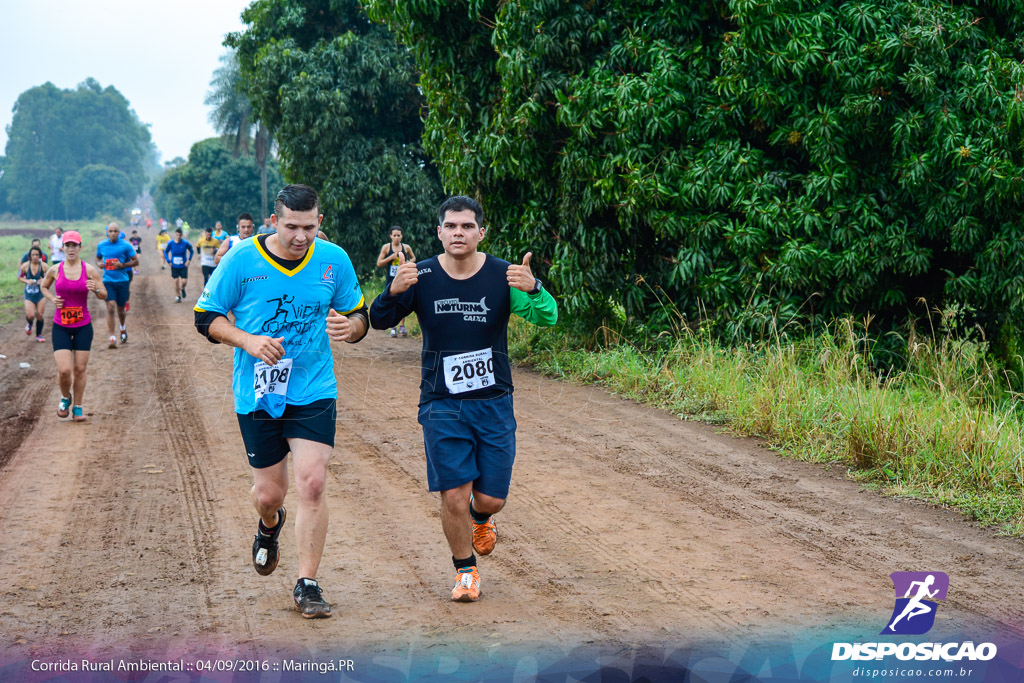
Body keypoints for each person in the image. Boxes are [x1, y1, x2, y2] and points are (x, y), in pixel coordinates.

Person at [369, 195, 558, 602]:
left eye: (467, 226)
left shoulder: (503, 275)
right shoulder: (418, 276)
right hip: (441, 401)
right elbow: (380, 320)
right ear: (439, 232)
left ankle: (481, 517)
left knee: (491, 497)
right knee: (453, 491)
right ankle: (465, 571)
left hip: (494, 400)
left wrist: (537, 287)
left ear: (481, 232)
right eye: (451, 226)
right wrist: (390, 291)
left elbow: (548, 317)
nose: (459, 233)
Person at [193, 184, 368, 619]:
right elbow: (206, 317)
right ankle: (269, 524)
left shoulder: (334, 260)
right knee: (270, 493)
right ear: (274, 221)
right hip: (258, 391)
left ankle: (307, 582)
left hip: (313, 388)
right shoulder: (241, 259)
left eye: (309, 227)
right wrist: (247, 340)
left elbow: (358, 312)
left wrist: (353, 329)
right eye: (291, 226)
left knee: (313, 480)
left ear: (319, 222)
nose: (300, 236)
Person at [39, 230, 107, 422]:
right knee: (64, 370)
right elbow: (44, 287)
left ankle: (77, 407)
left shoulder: (89, 270)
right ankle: (65, 397)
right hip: (61, 325)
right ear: (63, 248)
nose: (70, 249)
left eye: (74, 245)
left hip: (83, 325)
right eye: (67, 245)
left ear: (80, 248)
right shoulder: (55, 269)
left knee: (79, 369)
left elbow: (104, 294)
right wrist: (53, 299)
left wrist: (96, 290)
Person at [95, 222, 138, 348]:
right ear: (107, 232)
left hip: (123, 281)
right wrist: (99, 264)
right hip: (108, 281)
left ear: (119, 233)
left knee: (120, 309)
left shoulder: (125, 245)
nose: (113, 233)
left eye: (115, 231)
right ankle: (112, 336)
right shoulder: (101, 245)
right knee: (110, 307)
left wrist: (123, 265)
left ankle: (123, 327)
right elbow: (97, 258)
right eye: (110, 231)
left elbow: (136, 261)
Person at [375, 226, 416, 337]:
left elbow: (413, 258)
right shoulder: (387, 248)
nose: (397, 237)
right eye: (394, 235)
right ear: (390, 236)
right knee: (392, 302)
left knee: (403, 302)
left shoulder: (406, 247)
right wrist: (390, 258)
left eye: (399, 235)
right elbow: (379, 263)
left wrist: (408, 262)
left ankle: (402, 326)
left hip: (403, 278)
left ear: (402, 236)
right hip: (391, 280)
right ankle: (393, 327)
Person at [19, 246, 48, 341]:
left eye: (37, 255)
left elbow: (50, 278)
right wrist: (27, 281)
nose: (35, 256)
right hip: (29, 294)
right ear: (30, 256)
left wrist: (43, 281)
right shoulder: (25, 266)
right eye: (33, 255)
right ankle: (29, 323)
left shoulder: (44, 266)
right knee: (30, 315)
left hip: (40, 294)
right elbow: (19, 277)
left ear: (40, 256)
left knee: (40, 314)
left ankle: (38, 335)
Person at [164, 228, 194, 302]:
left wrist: (189, 260)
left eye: (180, 235)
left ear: (181, 235)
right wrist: (168, 261)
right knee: (176, 280)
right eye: (177, 235)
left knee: (184, 281)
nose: (178, 237)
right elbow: (166, 252)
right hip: (174, 266)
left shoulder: (185, 243)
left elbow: (191, 251)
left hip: (183, 265)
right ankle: (178, 296)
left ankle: (182, 288)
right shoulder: (171, 243)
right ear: (175, 234)